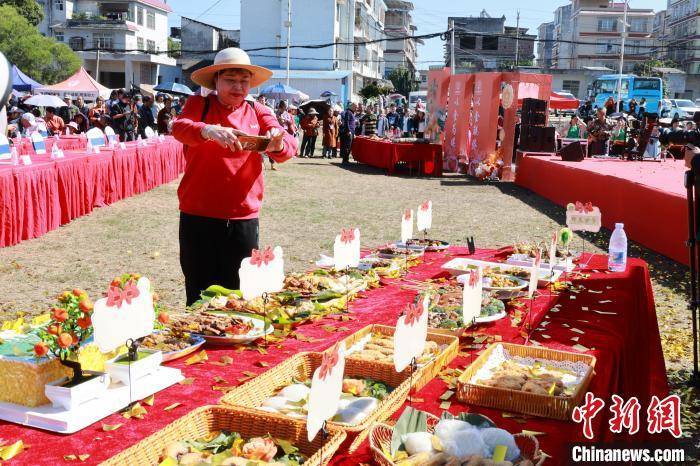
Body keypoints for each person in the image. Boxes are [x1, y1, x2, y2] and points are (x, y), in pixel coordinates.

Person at [171, 47, 297, 305]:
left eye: (244, 81)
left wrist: (277, 143)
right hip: (198, 216)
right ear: (215, 81)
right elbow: (180, 128)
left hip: (243, 218)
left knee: (241, 293)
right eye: (230, 80)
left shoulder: (259, 111)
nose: (238, 87)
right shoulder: (199, 106)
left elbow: (286, 143)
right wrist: (207, 130)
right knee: (199, 292)